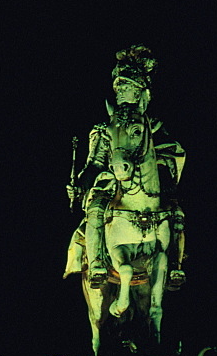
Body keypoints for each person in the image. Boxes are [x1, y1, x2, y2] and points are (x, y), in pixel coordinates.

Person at [66, 46, 186, 287]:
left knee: (176, 213)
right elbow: (96, 162)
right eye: (119, 89)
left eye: (128, 88)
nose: (122, 93)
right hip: (113, 183)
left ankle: (174, 264)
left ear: (142, 94)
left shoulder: (155, 128)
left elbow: (172, 152)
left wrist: (161, 171)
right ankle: (98, 262)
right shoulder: (104, 128)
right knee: (96, 209)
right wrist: (81, 184)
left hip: (150, 183)